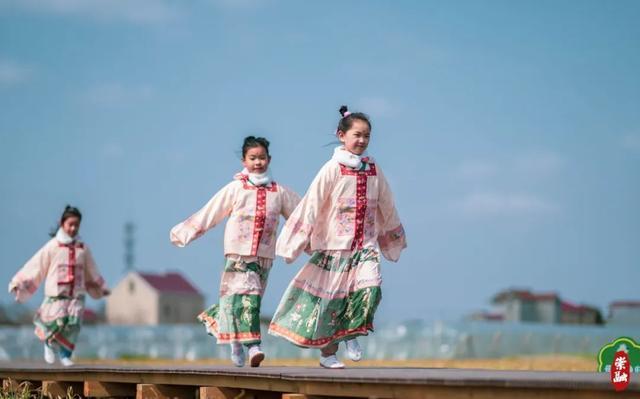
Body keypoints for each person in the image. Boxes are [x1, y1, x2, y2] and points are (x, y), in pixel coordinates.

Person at [269, 106, 407, 368]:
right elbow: (311, 204)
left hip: (365, 246)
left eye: (367, 136)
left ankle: (351, 333)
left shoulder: (373, 168)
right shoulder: (332, 168)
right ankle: (328, 355)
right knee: (331, 303)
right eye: (357, 134)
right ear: (341, 135)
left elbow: (387, 204)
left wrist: (392, 237)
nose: (362, 140)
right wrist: (294, 242)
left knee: (371, 290)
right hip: (335, 248)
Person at [170, 136, 300, 367]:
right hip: (238, 255)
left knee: (244, 302)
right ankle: (254, 347)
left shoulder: (279, 192)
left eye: (262, 158)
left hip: (264, 257)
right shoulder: (236, 188)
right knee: (248, 300)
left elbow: (301, 217)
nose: (258, 162)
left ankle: (235, 342)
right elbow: (211, 212)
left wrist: (321, 239)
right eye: (253, 158)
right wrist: (184, 232)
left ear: (269, 159)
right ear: (244, 160)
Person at [9, 205, 110, 366]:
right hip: (56, 295)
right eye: (70, 224)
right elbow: (36, 266)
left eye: (76, 225)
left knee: (73, 327)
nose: (73, 228)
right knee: (54, 322)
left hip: (76, 296)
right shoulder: (53, 246)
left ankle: (65, 355)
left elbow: (92, 270)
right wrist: (19, 283)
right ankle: (49, 344)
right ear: (62, 223)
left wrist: (100, 286)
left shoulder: (82, 249)